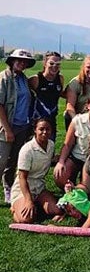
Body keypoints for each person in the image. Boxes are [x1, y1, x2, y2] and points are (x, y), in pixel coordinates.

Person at [10, 118, 63, 223]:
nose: (44, 132)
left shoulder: (51, 145)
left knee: (56, 210)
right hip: (22, 189)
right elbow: (22, 177)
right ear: (35, 130)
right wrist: (28, 200)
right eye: (41, 129)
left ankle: (35, 204)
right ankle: (15, 209)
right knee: (26, 219)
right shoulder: (27, 150)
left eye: (47, 129)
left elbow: (48, 160)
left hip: (39, 187)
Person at [0, 49, 36, 203]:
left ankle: (8, 188)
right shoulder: (4, 77)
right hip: (7, 126)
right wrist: (7, 129)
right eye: (19, 60)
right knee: (1, 160)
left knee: (14, 161)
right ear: (12, 61)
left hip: (22, 126)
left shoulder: (23, 78)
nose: (22, 63)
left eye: (25, 61)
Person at [28, 51, 65, 141]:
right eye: (51, 63)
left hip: (51, 122)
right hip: (36, 123)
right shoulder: (36, 79)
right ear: (44, 63)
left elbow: (60, 93)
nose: (54, 66)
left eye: (58, 64)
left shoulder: (60, 79)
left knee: (49, 149)